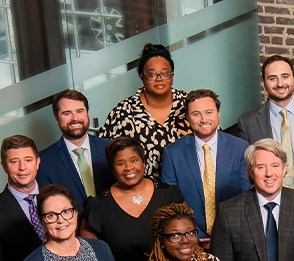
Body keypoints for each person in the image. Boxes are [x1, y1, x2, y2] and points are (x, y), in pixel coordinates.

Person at [161, 89, 251, 242]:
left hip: (235, 234)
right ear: (188, 118)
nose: (203, 119)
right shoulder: (173, 153)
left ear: (218, 113)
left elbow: (248, 196)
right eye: (196, 114)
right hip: (190, 239)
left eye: (209, 112)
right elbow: (170, 203)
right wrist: (191, 236)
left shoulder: (241, 148)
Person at [98, 43, 193, 183]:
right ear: (142, 77)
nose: (159, 78)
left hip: (188, 191)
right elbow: (106, 161)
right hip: (139, 198)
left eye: (165, 73)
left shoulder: (190, 105)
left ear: (172, 75)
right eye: (152, 74)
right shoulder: (122, 113)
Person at [233, 55, 294, 189]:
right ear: (263, 83)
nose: (280, 84)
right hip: (268, 202)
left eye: (285, 76)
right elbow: (246, 170)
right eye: (272, 78)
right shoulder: (247, 122)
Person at [39, 89, 115, 208]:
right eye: (67, 113)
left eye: (80, 111)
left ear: (87, 114)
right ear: (56, 119)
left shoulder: (111, 148)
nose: (75, 118)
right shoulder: (44, 162)